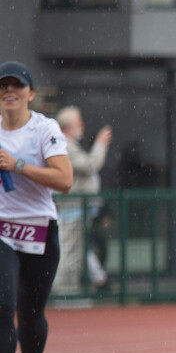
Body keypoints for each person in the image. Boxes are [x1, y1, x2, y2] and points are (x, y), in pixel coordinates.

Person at [0, 61, 74, 353]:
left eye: (17, 85)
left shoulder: (44, 129)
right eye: (3, 86)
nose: (9, 91)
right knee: (2, 303)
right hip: (2, 228)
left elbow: (65, 180)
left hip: (40, 231)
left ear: (30, 93)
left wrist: (18, 166)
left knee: (31, 316)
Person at [53, 106, 112, 293]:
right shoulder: (63, 144)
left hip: (79, 208)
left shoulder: (68, 143)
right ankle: (64, 293)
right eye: (79, 122)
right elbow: (89, 165)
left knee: (80, 250)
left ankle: (83, 286)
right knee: (70, 251)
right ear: (69, 126)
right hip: (72, 207)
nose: (82, 126)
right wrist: (101, 144)